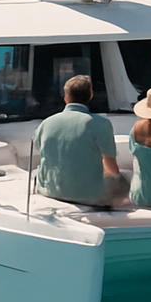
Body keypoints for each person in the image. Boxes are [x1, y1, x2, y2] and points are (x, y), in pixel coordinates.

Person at [33, 74, 129, 207]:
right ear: (91, 95)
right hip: (89, 197)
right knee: (124, 179)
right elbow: (112, 169)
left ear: (66, 98)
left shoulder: (46, 124)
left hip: (51, 192)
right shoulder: (101, 124)